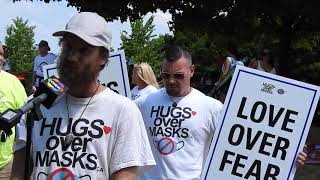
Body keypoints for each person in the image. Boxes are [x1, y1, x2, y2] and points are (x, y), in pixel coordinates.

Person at [12, 12, 155, 180]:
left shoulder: (123, 111)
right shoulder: (36, 104)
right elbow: (19, 172)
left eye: (83, 50)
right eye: (68, 47)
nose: (72, 57)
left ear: (103, 58)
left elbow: (124, 175)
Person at [138, 46, 307, 180]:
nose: (171, 81)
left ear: (192, 70)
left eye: (178, 75)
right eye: (166, 75)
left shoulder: (211, 107)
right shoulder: (143, 103)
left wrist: (287, 157)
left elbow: (246, 145)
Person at [0, 41, 27, 179]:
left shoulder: (13, 82)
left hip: (5, 165)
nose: (1, 58)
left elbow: (24, 116)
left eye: (2, 54)